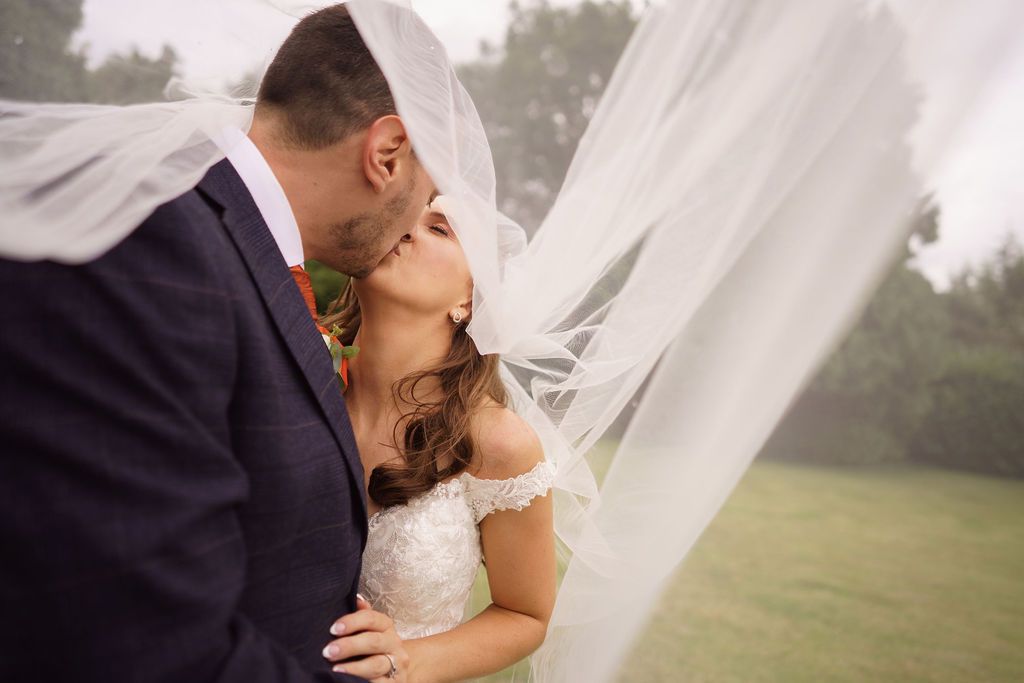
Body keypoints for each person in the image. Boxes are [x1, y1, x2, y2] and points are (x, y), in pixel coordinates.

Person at [0, 6, 435, 681]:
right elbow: (145, 639)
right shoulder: (158, 244)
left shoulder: (234, 244)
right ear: (387, 154)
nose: (413, 225)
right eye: (427, 195)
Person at [312, 201, 557, 681]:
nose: (404, 229)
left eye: (439, 229)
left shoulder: (498, 445)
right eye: (402, 214)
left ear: (469, 300)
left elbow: (525, 615)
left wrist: (406, 660)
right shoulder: (294, 379)